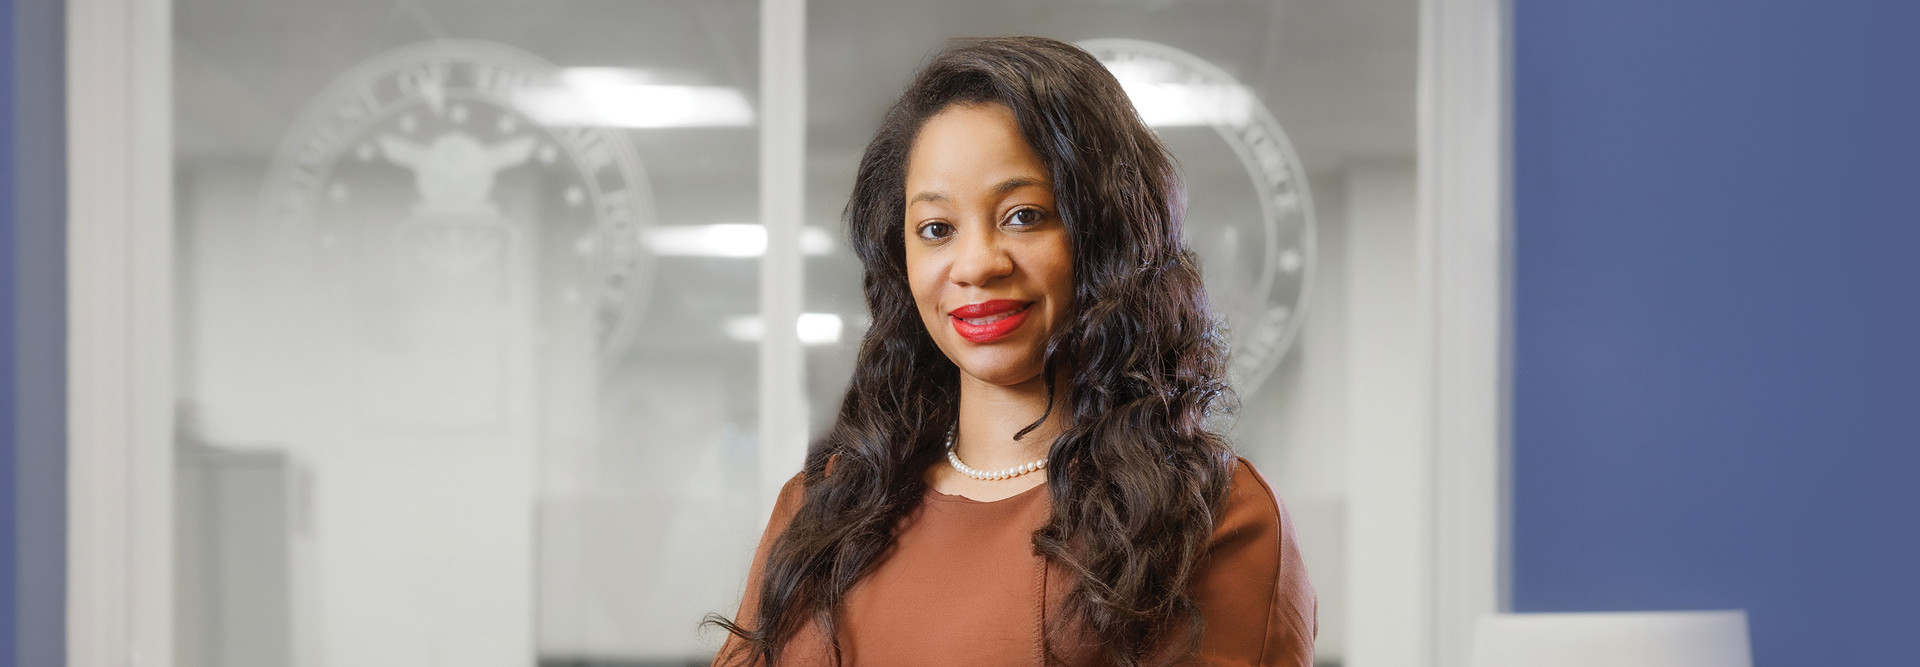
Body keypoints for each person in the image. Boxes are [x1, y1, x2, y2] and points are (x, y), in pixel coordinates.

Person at [709, 36, 1315, 666]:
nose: (975, 264)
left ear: (1106, 235)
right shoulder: (823, 508)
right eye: (937, 229)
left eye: (1023, 216)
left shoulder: (1209, 516)